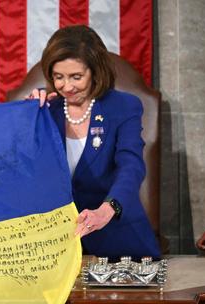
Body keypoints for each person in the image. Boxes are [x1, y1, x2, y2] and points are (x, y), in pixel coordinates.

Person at [29, 25, 160, 260]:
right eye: (58, 77)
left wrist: (108, 209)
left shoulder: (123, 106)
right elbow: (21, 168)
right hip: (55, 246)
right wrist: (27, 116)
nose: (66, 86)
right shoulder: (45, 109)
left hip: (116, 238)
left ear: (96, 72)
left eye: (76, 77)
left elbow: (131, 166)